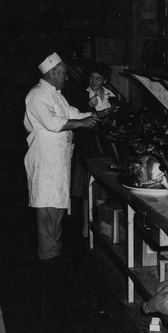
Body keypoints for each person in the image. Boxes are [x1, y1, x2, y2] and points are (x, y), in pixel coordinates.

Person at [23, 52, 100, 263]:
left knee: (56, 204)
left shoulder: (55, 94)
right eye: (64, 74)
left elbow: (72, 113)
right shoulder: (38, 95)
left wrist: (95, 116)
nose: (66, 78)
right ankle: (48, 254)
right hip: (45, 159)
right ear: (54, 71)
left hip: (58, 159)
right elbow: (53, 123)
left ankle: (54, 249)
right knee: (46, 204)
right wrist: (83, 123)